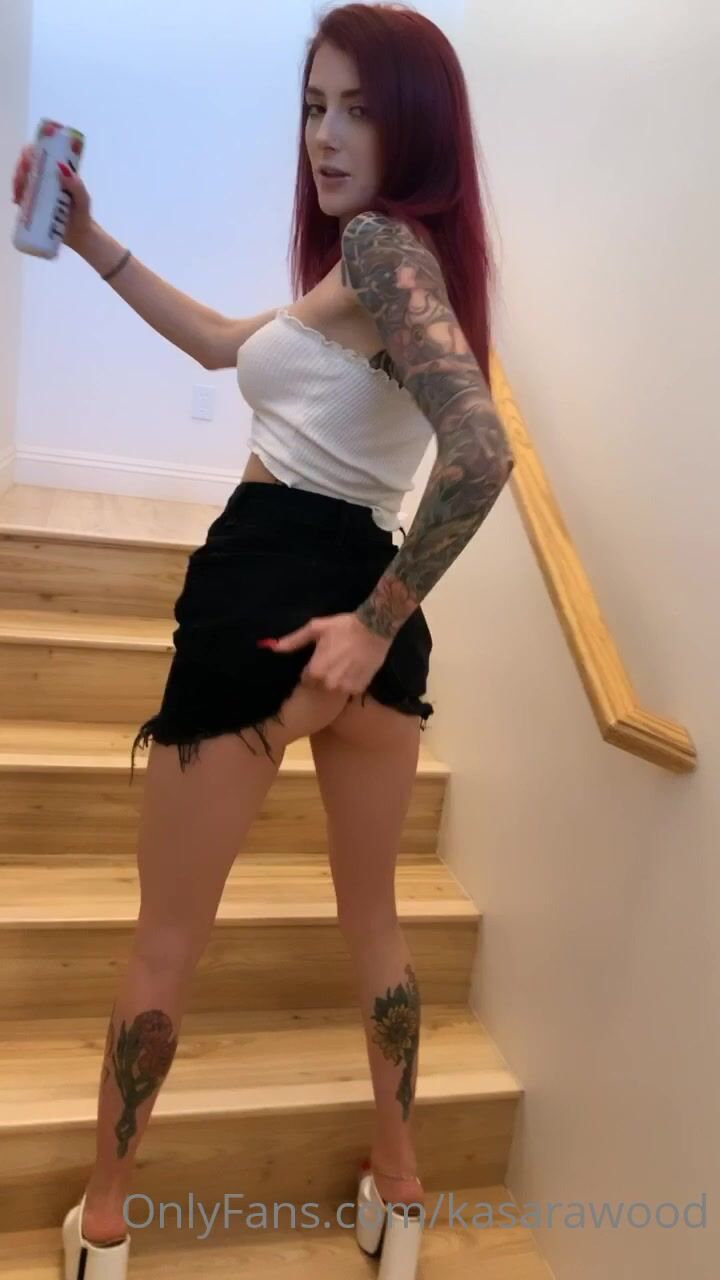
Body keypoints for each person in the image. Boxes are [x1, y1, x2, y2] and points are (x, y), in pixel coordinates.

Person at [12, 5, 514, 1277]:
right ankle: (401, 1195)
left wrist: (373, 622)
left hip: (274, 593)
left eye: (358, 109)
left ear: (418, 125)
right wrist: (89, 233)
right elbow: (222, 344)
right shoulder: (394, 266)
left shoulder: (384, 247)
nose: (326, 136)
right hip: (367, 601)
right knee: (377, 926)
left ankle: (107, 1220)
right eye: (313, 107)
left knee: (168, 935)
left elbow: (482, 451)